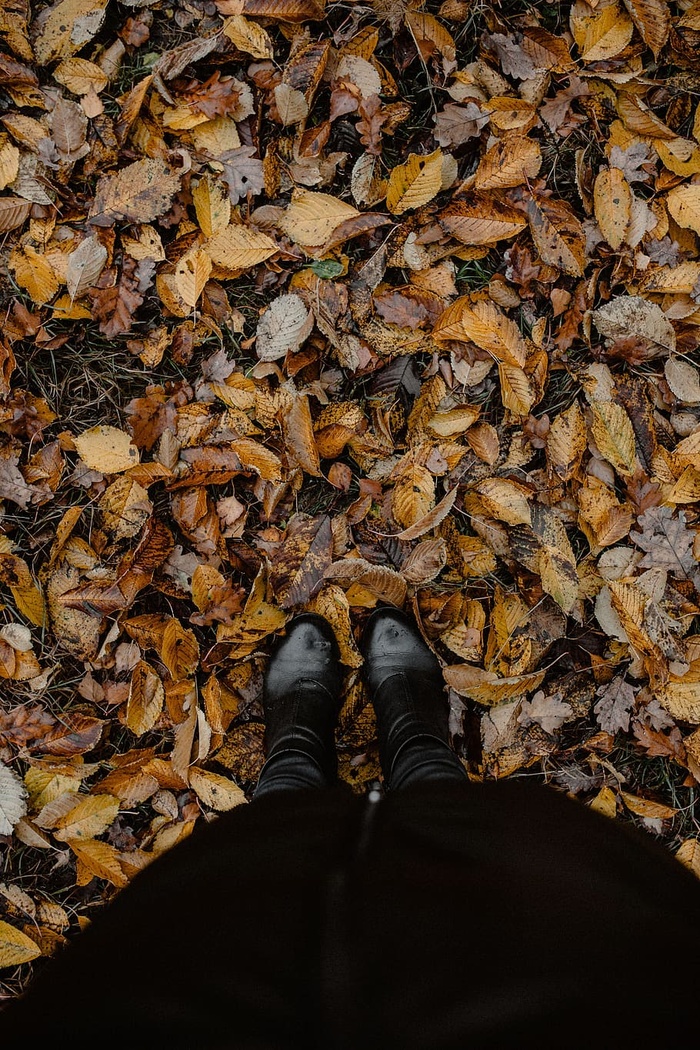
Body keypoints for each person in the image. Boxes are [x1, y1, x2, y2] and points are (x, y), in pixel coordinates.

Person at [2, 607, 700, 1048]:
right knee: (470, 839)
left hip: (192, 996)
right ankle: (416, 739)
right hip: (564, 984)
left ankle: (299, 751)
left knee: (256, 862)